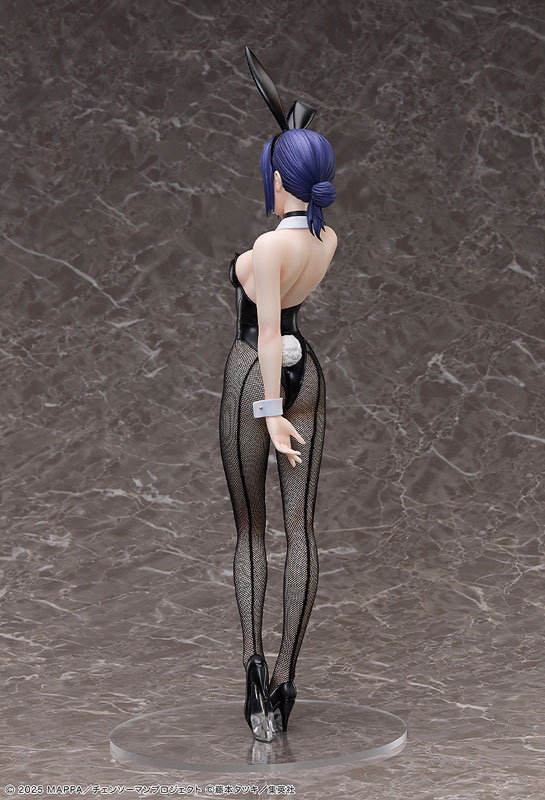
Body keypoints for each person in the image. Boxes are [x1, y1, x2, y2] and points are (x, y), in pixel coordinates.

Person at [219, 46, 338, 742]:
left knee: (251, 530)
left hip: (254, 374)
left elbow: (265, 336)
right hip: (310, 375)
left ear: (277, 177)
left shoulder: (268, 250)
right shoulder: (327, 241)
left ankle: (254, 670)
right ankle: (287, 681)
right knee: (303, 531)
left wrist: (269, 414)